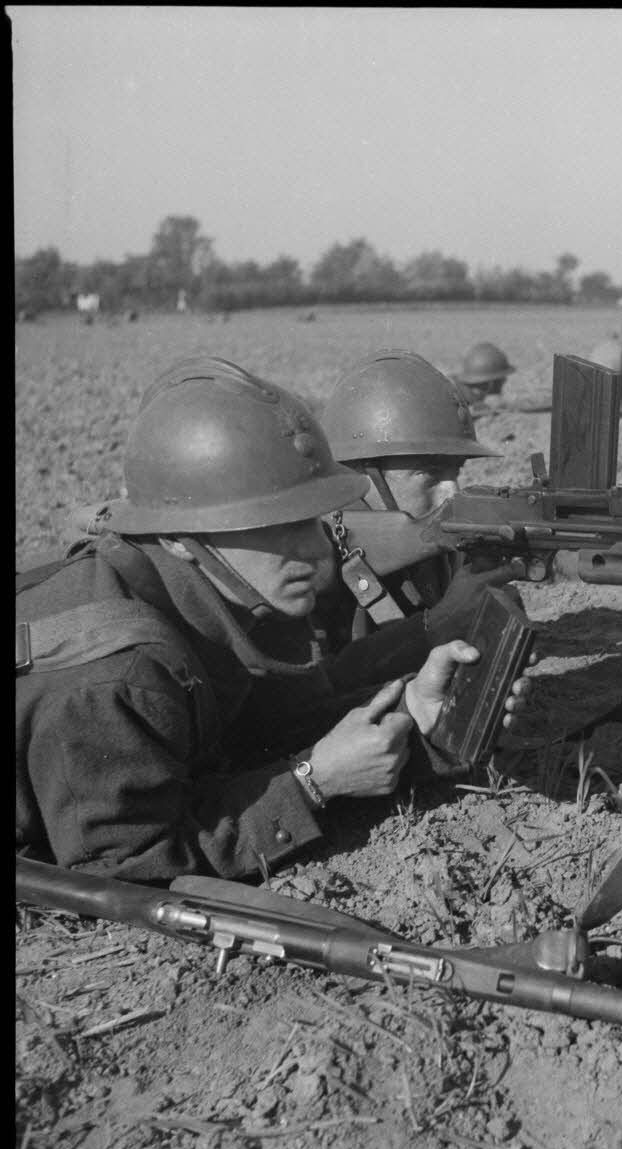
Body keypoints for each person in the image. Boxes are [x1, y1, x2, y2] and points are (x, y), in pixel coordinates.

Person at [16, 356, 532, 884]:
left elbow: (262, 730)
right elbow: (126, 866)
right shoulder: (117, 677)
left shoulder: (221, 597)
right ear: (179, 538)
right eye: (277, 528)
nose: (318, 554)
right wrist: (314, 783)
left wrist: (417, 712)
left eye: (311, 523)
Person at [313, 349, 524, 659]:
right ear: (360, 474)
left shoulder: (432, 551)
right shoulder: (312, 568)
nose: (453, 492)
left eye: (456, 472)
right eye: (430, 474)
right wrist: (442, 624)